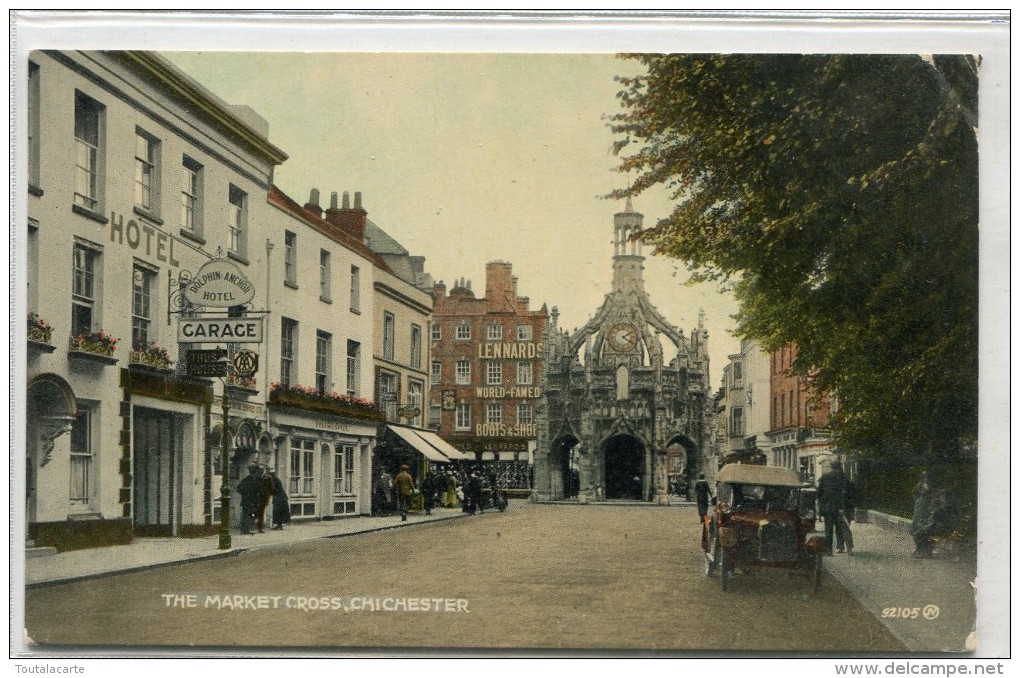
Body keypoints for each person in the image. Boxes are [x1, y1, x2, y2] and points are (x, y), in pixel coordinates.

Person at [816, 460, 853, 556]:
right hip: (841, 507)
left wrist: (821, 508)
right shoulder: (844, 477)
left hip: (828, 508)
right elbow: (850, 492)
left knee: (828, 530)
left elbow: (819, 494)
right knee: (842, 528)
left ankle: (829, 550)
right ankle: (841, 547)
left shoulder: (825, 477)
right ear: (840, 467)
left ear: (831, 467)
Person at [910, 472, 935, 558]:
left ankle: (924, 550)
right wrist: (917, 498)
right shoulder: (920, 485)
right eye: (923, 476)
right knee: (915, 529)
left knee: (923, 530)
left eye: (926, 476)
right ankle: (919, 549)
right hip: (919, 508)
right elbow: (913, 492)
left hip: (926, 509)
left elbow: (931, 495)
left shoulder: (930, 487)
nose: (925, 477)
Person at [236, 464, 262, 535]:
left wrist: (245, 493)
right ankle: (247, 529)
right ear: (256, 471)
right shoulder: (256, 480)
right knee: (251, 515)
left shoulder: (247, 479)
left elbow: (239, 489)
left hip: (248, 501)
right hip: (251, 501)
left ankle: (245, 529)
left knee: (247, 515)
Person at [255, 465, 275, 533]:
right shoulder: (257, 477)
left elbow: (272, 488)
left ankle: (259, 528)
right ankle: (255, 527)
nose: (260, 471)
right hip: (257, 497)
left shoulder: (267, 478)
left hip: (263, 497)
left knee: (260, 512)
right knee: (257, 512)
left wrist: (269, 495)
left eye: (262, 469)